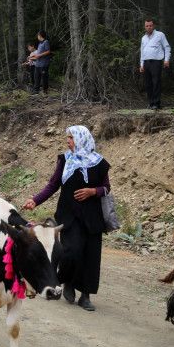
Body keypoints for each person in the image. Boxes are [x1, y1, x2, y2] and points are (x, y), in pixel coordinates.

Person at [23, 125, 110, 311]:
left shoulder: (99, 163)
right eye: (68, 137)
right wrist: (35, 201)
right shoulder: (65, 160)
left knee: (91, 257)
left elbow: (106, 188)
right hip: (69, 215)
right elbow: (53, 184)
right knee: (71, 252)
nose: (68, 141)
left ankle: (85, 296)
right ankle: (68, 282)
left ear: (81, 139)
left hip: (92, 217)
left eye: (71, 137)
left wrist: (93, 191)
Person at [138, 19, 171, 109]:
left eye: (150, 25)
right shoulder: (143, 38)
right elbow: (142, 51)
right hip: (146, 62)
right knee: (148, 83)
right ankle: (150, 102)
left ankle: (156, 103)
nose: (149, 27)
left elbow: (167, 47)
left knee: (156, 82)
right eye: (147, 26)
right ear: (145, 27)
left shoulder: (160, 35)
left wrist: (166, 60)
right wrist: (141, 64)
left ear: (154, 26)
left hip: (156, 62)